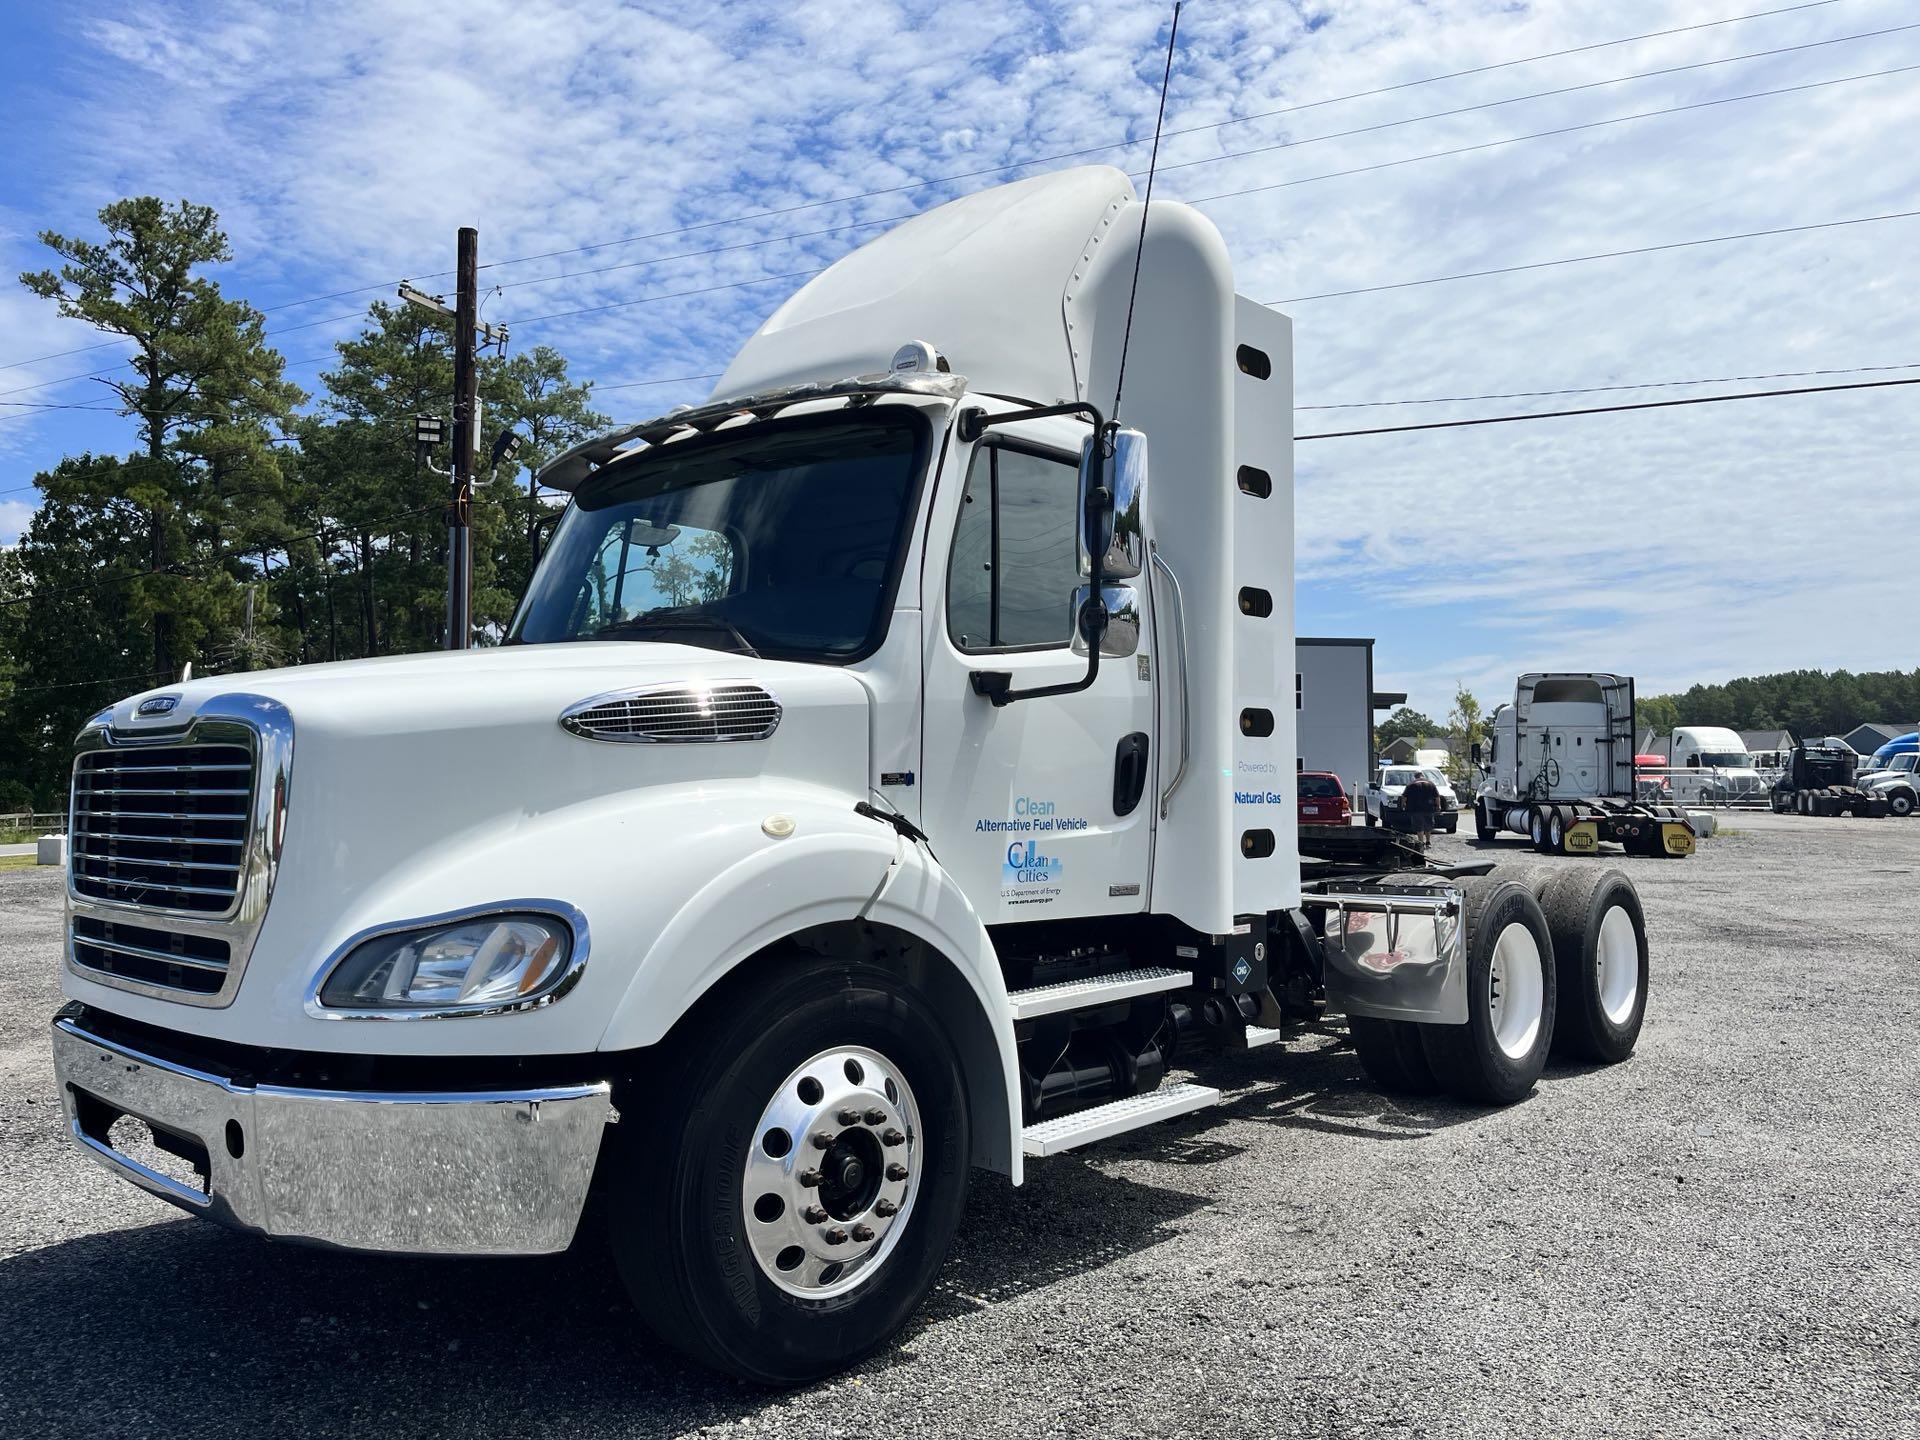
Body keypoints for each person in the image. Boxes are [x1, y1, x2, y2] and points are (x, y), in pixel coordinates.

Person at [1401, 770, 1441, 844]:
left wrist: (1403, 805)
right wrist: (1438, 806)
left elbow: (1404, 797)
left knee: (1419, 826)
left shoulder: (1411, 784)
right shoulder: (1431, 784)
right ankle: (1428, 841)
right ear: (1422, 775)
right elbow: (1437, 797)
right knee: (1428, 825)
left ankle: (1421, 842)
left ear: (1415, 776)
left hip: (1415, 809)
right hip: (1429, 808)